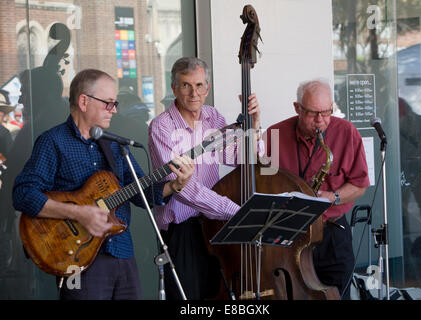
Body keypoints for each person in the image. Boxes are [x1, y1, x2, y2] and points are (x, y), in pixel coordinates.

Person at [12, 69, 195, 300]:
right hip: (77, 256)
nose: (115, 110)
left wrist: (177, 185)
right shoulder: (53, 142)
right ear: (84, 101)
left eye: (115, 103)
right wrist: (78, 213)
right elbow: (23, 194)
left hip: (122, 252)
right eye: (109, 103)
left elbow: (142, 193)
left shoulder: (116, 146)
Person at [148, 57, 261, 300]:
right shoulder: (161, 127)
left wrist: (254, 124)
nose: (193, 93)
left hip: (215, 224)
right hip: (182, 232)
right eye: (186, 85)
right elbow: (183, 189)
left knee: (219, 294)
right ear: (174, 89)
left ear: (207, 88)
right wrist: (236, 212)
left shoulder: (213, 117)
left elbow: (240, 158)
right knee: (188, 299)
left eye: (199, 85)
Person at [264, 79, 369, 300]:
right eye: (313, 114)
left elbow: (360, 185)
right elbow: (262, 187)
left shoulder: (347, 132)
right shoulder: (273, 135)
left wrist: (334, 196)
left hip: (332, 234)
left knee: (336, 295)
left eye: (326, 112)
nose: (320, 121)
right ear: (297, 108)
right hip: (289, 236)